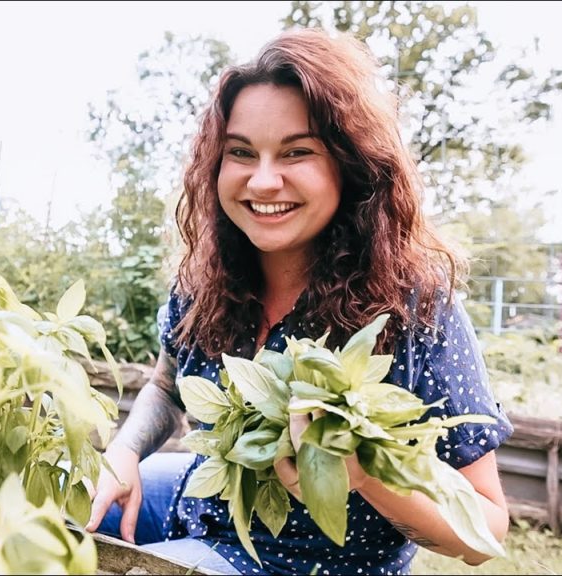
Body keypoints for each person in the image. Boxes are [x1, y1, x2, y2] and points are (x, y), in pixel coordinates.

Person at [85, 27, 513, 575]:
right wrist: (123, 455)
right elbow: (168, 384)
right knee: (59, 505)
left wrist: (361, 474)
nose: (263, 181)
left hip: (308, 563)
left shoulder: (416, 309)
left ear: (350, 165)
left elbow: (485, 530)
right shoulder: (207, 279)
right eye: (241, 152)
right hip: (201, 506)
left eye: (297, 151)